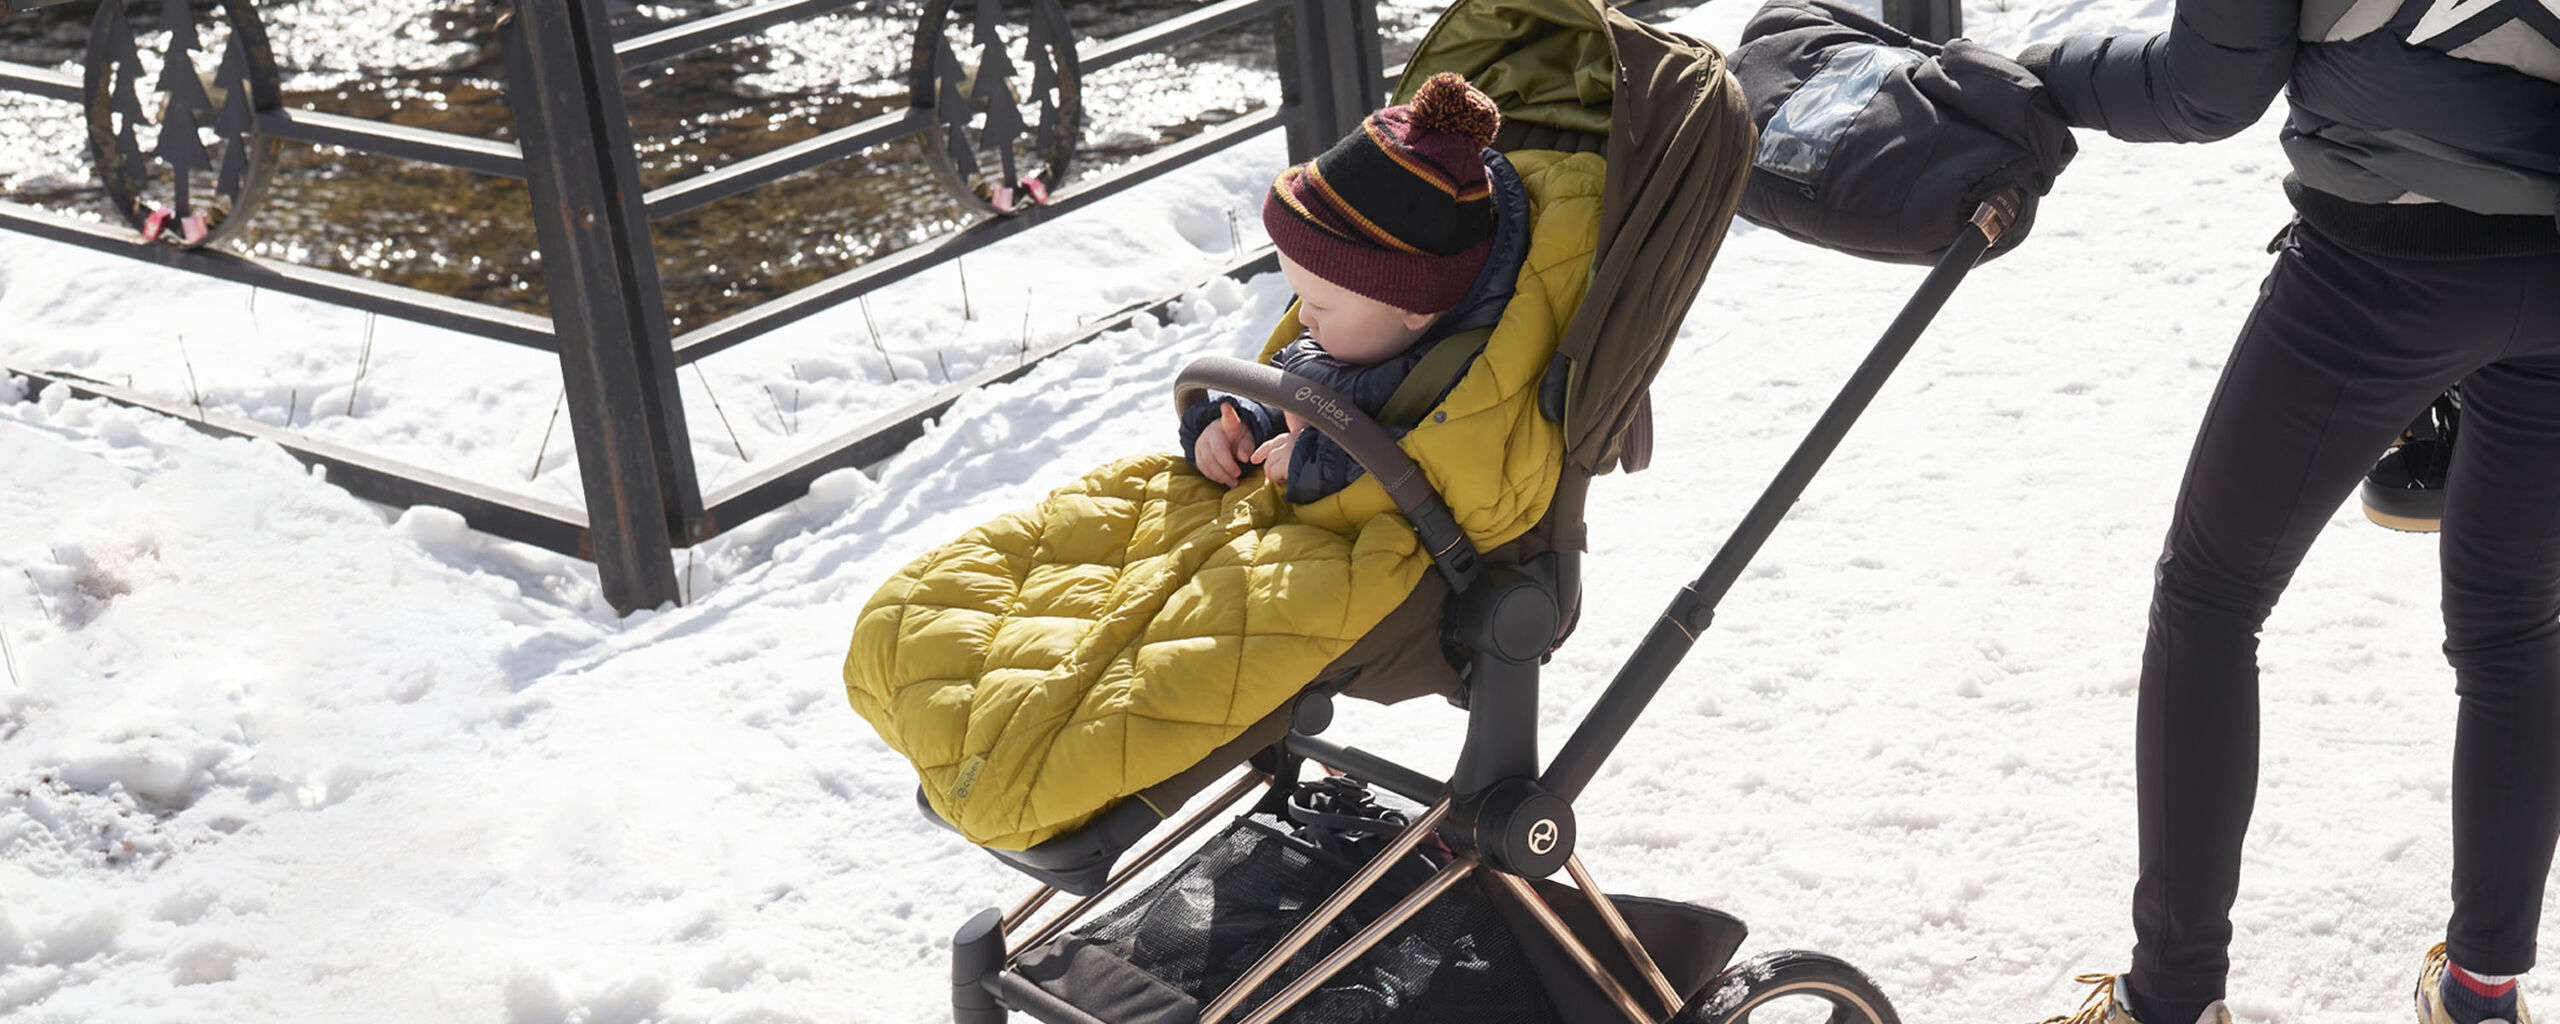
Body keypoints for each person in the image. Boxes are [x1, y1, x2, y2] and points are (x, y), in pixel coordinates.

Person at [2010, 4, 2560, 1024]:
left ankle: (2170, 997)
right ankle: (2483, 993)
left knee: (2211, 598)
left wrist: (2035, 70)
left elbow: (2204, 88)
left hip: (2377, 260)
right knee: (2512, 626)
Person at [1179, 71, 1528, 503]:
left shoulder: (1469, 376)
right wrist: (1243, 423)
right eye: (1302, 298)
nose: (1303, 319)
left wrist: (1319, 461)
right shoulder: (1349, 339)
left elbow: (1459, 468)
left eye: (1320, 306)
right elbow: (1296, 390)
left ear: (1412, 303)